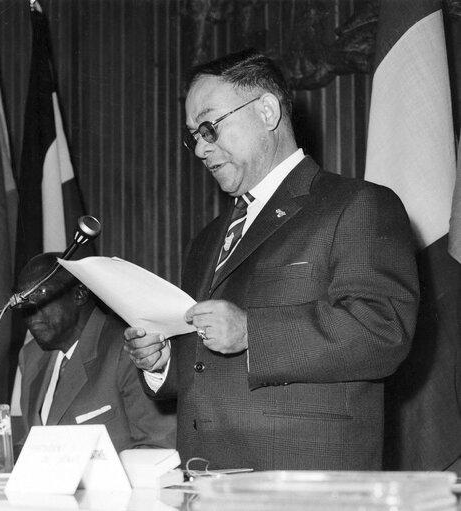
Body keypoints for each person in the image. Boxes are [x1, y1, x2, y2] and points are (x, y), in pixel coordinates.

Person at [123, 49, 419, 471]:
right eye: (193, 136)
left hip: (303, 483)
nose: (200, 150)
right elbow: (207, 362)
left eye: (210, 127)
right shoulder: (207, 241)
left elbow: (382, 330)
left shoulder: (357, 205)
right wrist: (163, 360)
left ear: (266, 110)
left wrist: (252, 333)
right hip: (206, 479)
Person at [16, 252, 176, 454]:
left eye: (39, 294)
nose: (29, 310)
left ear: (79, 293)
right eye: (22, 300)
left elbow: (158, 447)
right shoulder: (30, 356)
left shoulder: (131, 348)